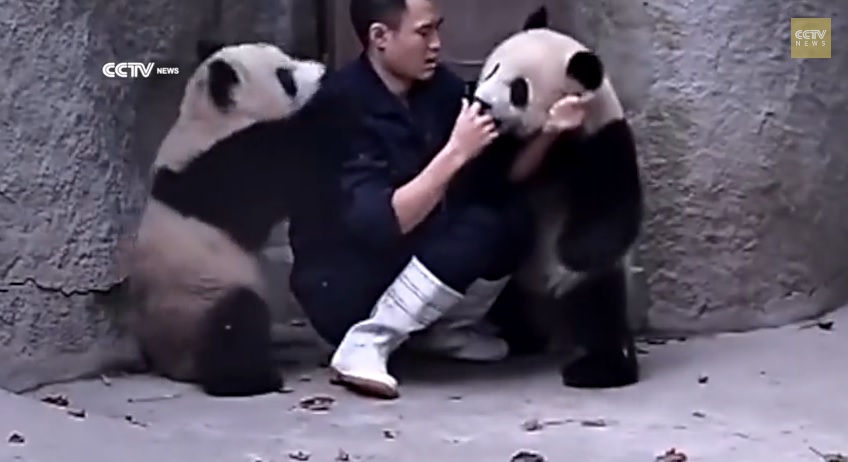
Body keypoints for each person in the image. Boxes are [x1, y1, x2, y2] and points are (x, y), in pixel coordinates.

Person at [288, 0, 587, 399]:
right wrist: (456, 152)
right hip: (342, 283)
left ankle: (439, 333)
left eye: (438, 30)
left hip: (405, 258)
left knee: (511, 216)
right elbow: (381, 225)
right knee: (474, 227)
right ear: (380, 37)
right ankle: (367, 342)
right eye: (423, 33)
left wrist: (549, 132)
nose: (436, 45)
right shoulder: (336, 107)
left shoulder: (440, 89)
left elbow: (502, 177)